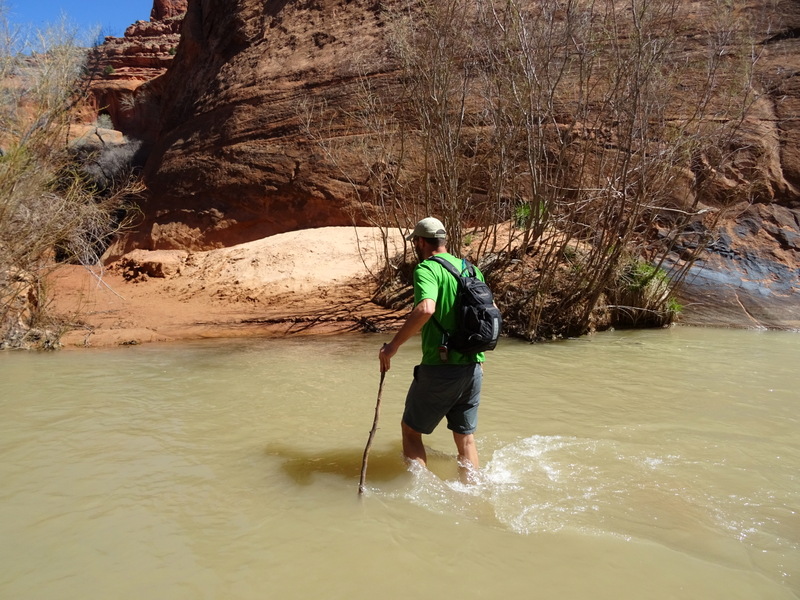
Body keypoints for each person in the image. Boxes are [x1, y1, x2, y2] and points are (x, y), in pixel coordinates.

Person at [378, 217, 486, 481]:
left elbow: (426, 308)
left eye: (415, 241)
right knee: (465, 438)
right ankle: (473, 490)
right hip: (473, 366)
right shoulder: (471, 270)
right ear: (444, 240)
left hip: (441, 366)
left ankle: (422, 493)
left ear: (421, 241)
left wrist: (392, 347)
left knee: (411, 431)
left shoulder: (426, 268)